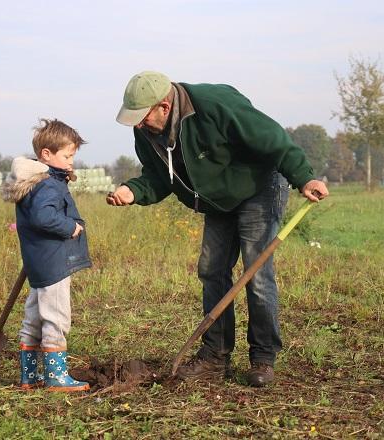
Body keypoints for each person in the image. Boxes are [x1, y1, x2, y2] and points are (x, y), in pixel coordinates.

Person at [107, 71, 328, 387]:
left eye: (142, 117)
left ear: (164, 107)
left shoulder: (215, 104)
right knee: (211, 271)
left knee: (256, 273)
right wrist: (133, 190)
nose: (138, 125)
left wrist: (304, 177)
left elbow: (273, 138)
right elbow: (159, 177)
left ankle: (263, 358)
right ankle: (215, 357)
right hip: (216, 200)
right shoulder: (145, 131)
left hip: (258, 187)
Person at [2, 118, 91, 392]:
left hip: (38, 263)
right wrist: (71, 227)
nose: (71, 161)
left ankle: (28, 376)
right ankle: (55, 377)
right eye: (67, 156)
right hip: (53, 263)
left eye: (73, 155)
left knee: (34, 317)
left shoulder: (32, 181)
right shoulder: (48, 184)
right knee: (56, 316)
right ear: (47, 155)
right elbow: (43, 216)